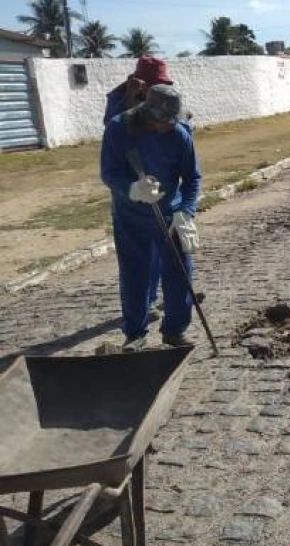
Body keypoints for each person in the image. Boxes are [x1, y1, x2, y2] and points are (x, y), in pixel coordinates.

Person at [101, 85, 201, 352]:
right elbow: (109, 173)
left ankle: (175, 330)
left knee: (180, 272)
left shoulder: (179, 134)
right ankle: (135, 333)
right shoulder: (119, 128)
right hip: (130, 214)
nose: (167, 126)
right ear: (147, 114)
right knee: (136, 273)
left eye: (172, 121)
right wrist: (133, 189)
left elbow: (192, 178)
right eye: (162, 122)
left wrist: (186, 211)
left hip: (170, 213)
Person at [103, 57, 175, 322]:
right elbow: (113, 129)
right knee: (134, 258)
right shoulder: (119, 98)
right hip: (129, 190)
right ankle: (138, 310)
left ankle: (155, 298)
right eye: (153, 85)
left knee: (159, 250)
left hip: (159, 183)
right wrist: (129, 101)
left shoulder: (164, 99)